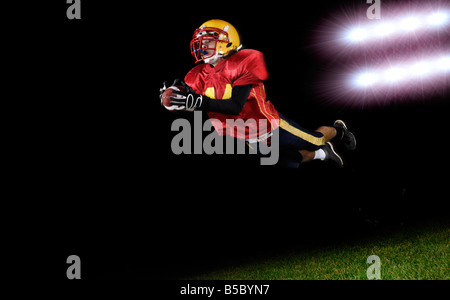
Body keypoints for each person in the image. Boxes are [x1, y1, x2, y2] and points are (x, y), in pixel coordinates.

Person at [160, 19, 356, 168]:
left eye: (208, 41)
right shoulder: (196, 75)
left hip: (272, 126)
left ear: (227, 42)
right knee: (287, 162)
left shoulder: (245, 60)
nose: (202, 46)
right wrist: (175, 102)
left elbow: (235, 106)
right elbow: (191, 105)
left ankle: (339, 131)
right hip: (245, 136)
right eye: (201, 42)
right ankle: (323, 154)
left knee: (316, 140)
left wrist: (198, 100)